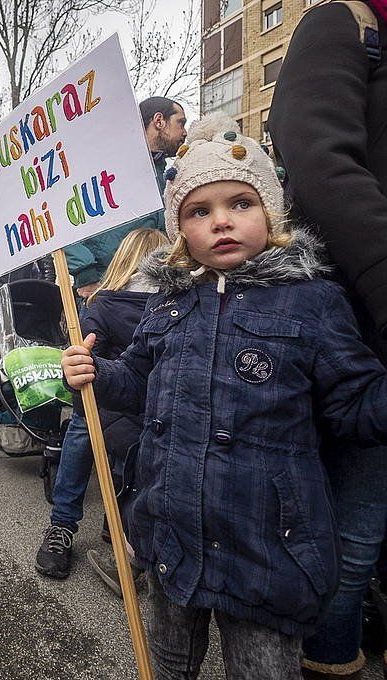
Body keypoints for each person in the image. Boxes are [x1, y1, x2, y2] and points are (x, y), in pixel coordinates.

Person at [61, 114, 387, 678]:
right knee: (167, 662)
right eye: (199, 211)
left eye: (240, 203)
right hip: (169, 531)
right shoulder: (166, 305)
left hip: (267, 551)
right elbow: (137, 381)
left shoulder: (311, 301)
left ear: (271, 212)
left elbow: (355, 404)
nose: (221, 222)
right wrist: (94, 372)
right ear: (180, 229)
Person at [269, 4, 387, 677]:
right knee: (348, 535)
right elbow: (321, 158)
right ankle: (329, 656)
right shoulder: (345, 23)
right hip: (360, 333)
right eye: (203, 212)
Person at [34, 228, 167, 582]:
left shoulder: (104, 305)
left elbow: (84, 354)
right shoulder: (174, 306)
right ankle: (118, 525)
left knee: (81, 436)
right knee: (102, 438)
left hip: (109, 403)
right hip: (134, 408)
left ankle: (63, 526)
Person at [63, 97, 186, 299]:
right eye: (180, 122)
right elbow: (63, 217)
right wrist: (85, 273)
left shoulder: (167, 175)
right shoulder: (103, 162)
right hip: (105, 287)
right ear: (159, 121)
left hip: (154, 290)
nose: (184, 132)